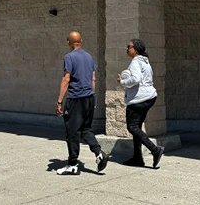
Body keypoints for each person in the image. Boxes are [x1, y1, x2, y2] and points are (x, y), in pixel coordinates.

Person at [55, 30, 109, 175]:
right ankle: (99, 153)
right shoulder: (89, 57)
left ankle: (72, 164)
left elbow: (66, 79)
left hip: (76, 99)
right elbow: (93, 79)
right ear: (81, 41)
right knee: (86, 129)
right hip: (89, 97)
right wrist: (93, 99)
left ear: (68, 43)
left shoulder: (69, 57)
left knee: (72, 131)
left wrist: (59, 101)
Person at [117, 38, 165, 168]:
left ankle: (155, 150)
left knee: (132, 127)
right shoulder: (145, 62)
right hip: (149, 97)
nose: (127, 49)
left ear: (136, 49)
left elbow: (136, 79)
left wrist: (122, 82)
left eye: (129, 47)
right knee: (136, 127)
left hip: (139, 99)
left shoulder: (136, 61)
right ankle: (137, 158)